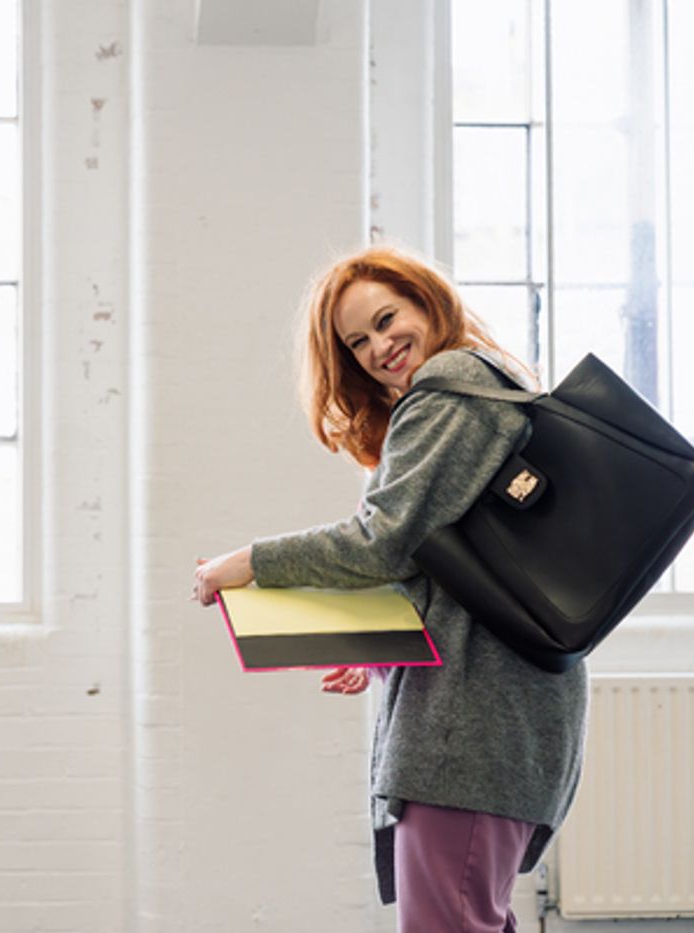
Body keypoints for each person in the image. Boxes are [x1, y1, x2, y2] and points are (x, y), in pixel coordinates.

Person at [192, 245, 587, 933]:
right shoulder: (469, 389)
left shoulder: (451, 385)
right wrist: (382, 648)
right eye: (358, 341)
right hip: (486, 718)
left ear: (426, 301)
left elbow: (382, 541)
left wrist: (248, 562)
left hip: (472, 732)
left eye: (386, 317)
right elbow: (453, 563)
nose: (380, 345)